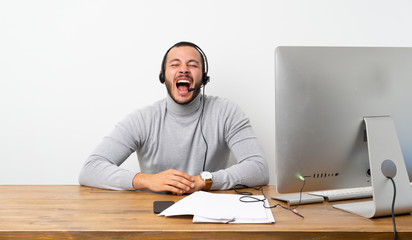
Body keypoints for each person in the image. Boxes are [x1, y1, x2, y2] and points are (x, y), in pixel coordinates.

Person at [78, 41, 269, 195]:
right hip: (152, 216)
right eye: (175, 64)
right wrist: (147, 179)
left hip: (210, 217)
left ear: (204, 78)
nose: (184, 69)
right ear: (163, 77)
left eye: (192, 65)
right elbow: (90, 169)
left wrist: (204, 180)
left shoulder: (227, 112)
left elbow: (258, 168)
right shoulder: (142, 119)